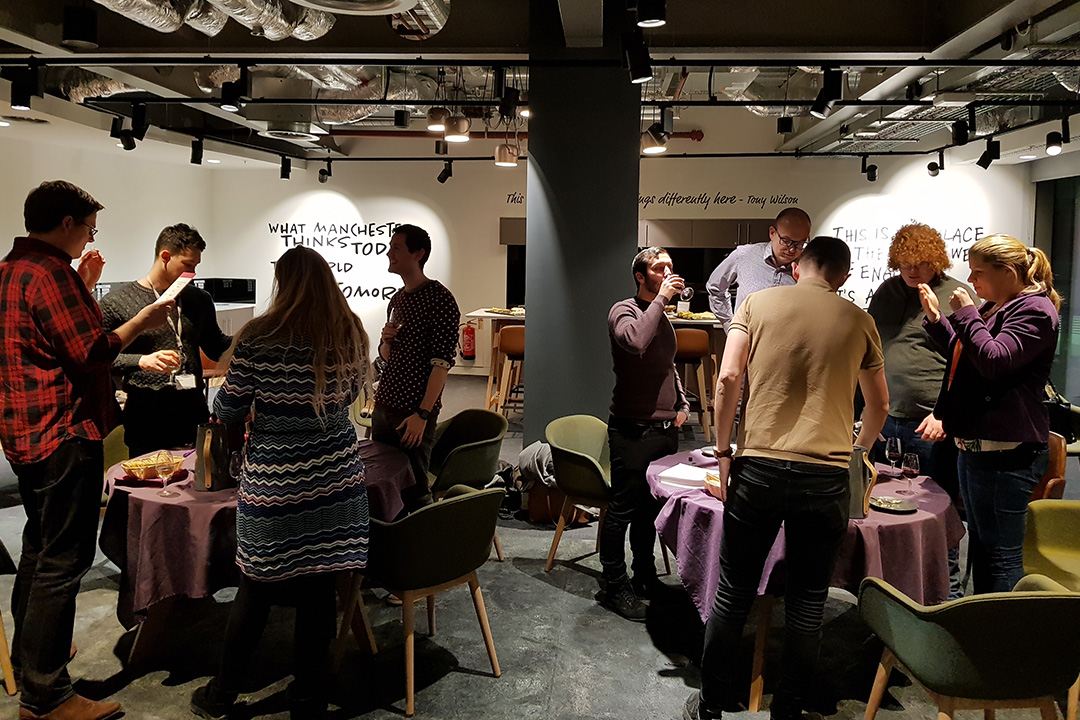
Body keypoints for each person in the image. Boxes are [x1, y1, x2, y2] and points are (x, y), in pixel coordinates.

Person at [685, 237, 889, 720]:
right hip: (826, 473)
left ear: (798, 267)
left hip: (759, 465)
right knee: (808, 601)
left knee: (734, 592)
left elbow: (728, 378)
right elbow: (879, 404)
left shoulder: (756, 303)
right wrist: (859, 451)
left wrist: (722, 451)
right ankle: (789, 710)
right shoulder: (859, 320)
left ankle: (713, 703)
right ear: (842, 275)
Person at [0, 180, 173, 720]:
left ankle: (31, 656)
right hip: (63, 432)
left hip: (24, 430)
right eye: (89, 227)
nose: (90, 236)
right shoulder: (50, 274)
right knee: (63, 560)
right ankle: (46, 695)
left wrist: (82, 283)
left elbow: (42, 342)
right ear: (67, 223)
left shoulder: (12, 268)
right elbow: (90, 350)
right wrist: (143, 321)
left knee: (39, 547)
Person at [190, 246, 370, 720]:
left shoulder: (259, 336)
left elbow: (225, 408)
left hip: (276, 481)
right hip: (337, 476)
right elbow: (349, 394)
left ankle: (223, 695)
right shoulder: (349, 331)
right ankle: (307, 698)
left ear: (283, 282)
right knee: (318, 589)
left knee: (257, 586)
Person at [920, 234, 1060, 594]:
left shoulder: (1035, 310)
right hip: (979, 447)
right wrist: (939, 321)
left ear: (1010, 272)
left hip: (1007, 454)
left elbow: (995, 360)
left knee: (1000, 556)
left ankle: (1002, 640)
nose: (973, 281)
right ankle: (986, 631)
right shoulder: (1001, 304)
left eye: (979, 272)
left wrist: (966, 313)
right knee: (981, 549)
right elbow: (968, 352)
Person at [867, 223, 972, 598]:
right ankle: (895, 594)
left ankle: (947, 594)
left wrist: (945, 414)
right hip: (886, 416)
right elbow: (870, 350)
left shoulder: (956, 294)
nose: (912, 271)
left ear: (937, 261)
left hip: (930, 420)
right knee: (887, 507)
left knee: (936, 513)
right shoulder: (888, 291)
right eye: (905, 263)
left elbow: (970, 364)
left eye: (922, 263)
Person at [602, 247, 691, 621]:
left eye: (670, 266)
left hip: (664, 429)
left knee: (649, 511)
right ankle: (614, 584)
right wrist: (662, 300)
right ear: (641, 276)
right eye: (659, 267)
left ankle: (644, 576)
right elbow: (636, 342)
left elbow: (667, 367)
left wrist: (683, 404)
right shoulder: (624, 311)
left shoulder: (664, 319)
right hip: (632, 430)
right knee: (621, 510)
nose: (668, 272)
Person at [101, 223, 232, 457]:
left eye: (195, 266)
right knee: (150, 487)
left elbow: (216, 346)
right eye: (187, 265)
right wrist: (141, 361)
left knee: (195, 485)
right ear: (165, 257)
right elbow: (98, 358)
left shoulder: (199, 300)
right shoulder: (117, 303)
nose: (193, 273)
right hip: (146, 415)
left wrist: (252, 340)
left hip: (193, 412)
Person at [372, 224, 460, 509]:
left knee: (414, 490)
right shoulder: (397, 299)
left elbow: (441, 364)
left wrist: (423, 414)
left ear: (418, 253)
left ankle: (420, 550)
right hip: (384, 407)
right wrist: (386, 341)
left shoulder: (440, 300)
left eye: (397, 248)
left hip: (412, 413)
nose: (389, 253)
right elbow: (387, 357)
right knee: (382, 485)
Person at [705, 207, 812, 331]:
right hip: (747, 343)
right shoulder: (744, 255)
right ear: (772, 233)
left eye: (799, 243)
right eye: (786, 241)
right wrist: (730, 324)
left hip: (789, 345)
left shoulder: (808, 267)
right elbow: (715, 287)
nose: (792, 249)